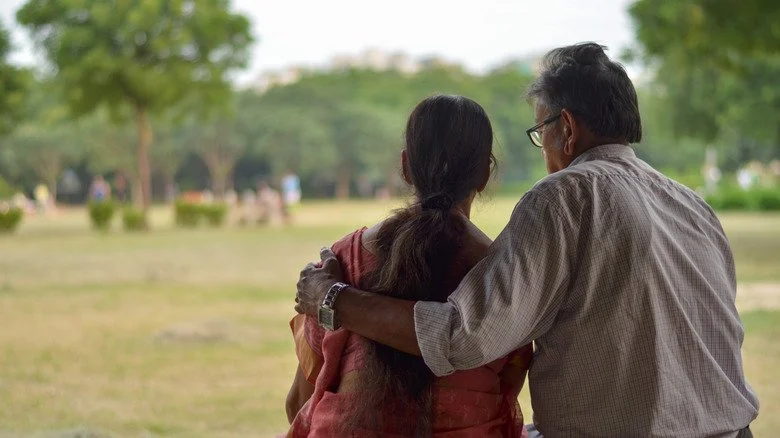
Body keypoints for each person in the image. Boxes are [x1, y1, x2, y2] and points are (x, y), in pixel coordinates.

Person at [295, 43, 759, 437]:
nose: (544, 152)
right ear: (484, 173)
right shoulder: (692, 204)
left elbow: (462, 338)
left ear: (568, 129)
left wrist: (331, 297)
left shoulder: (565, 194)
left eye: (541, 133)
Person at [287, 95, 532, 437]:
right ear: (485, 173)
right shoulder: (507, 273)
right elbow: (509, 391)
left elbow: (298, 400)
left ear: (405, 166)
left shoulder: (339, 262)